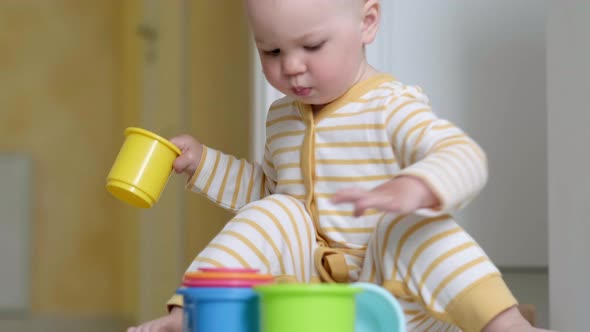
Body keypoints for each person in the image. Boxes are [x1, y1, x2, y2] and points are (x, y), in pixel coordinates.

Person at [128, 0, 550, 331]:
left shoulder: (390, 106)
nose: (290, 66)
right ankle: (191, 313)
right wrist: (203, 163)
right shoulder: (282, 118)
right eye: (271, 50)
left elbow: (464, 156)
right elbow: (267, 195)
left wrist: (417, 186)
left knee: (406, 226)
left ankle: (506, 323)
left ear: (367, 23)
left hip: (394, 303)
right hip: (310, 303)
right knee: (278, 210)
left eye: (311, 46)